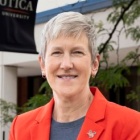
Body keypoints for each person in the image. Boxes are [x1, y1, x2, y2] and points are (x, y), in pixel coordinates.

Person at [9, 11, 140, 140]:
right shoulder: (20, 127)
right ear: (43, 65)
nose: (66, 65)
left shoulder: (132, 125)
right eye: (57, 52)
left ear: (94, 64)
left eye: (77, 52)